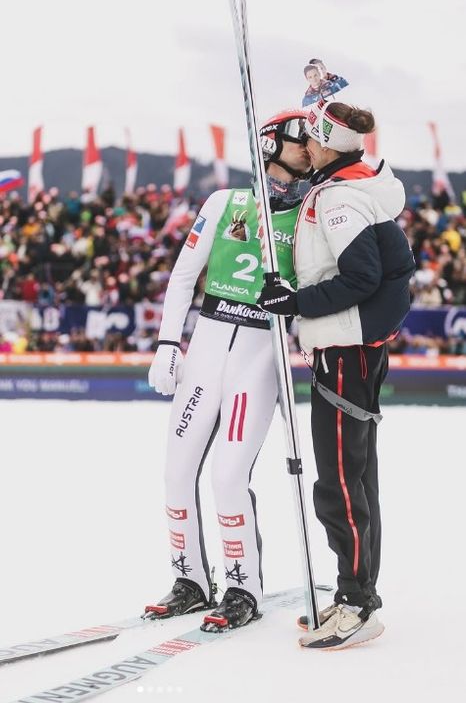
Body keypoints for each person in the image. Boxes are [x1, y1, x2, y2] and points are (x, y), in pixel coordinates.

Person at [145, 110, 311, 632]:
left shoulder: (310, 211)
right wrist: (168, 343)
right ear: (270, 145)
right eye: (299, 139)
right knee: (176, 472)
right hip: (208, 342)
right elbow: (181, 277)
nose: (309, 148)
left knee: (228, 475)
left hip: (259, 352)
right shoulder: (224, 203)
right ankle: (189, 580)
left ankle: (243, 587)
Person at [258, 100, 415, 649]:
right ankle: (357, 590)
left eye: (311, 135)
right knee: (356, 476)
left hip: (346, 347)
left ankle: (356, 602)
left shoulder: (340, 198)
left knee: (340, 481)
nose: (304, 144)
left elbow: (360, 277)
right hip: (350, 346)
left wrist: (294, 302)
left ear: (327, 144)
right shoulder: (351, 182)